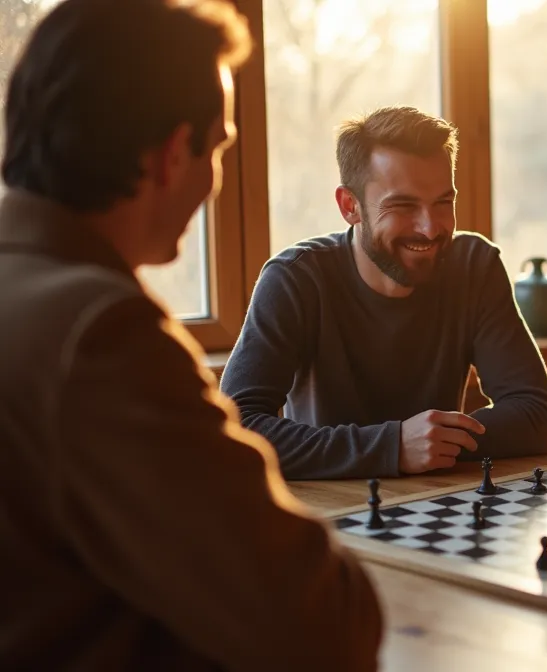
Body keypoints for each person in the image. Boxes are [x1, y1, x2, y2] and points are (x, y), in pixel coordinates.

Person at [0, 0, 383, 669]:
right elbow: (326, 622)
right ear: (174, 154)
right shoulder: (102, 335)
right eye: (222, 147)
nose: (216, 182)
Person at [220, 106, 547, 480]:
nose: (429, 228)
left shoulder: (473, 267)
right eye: (403, 206)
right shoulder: (295, 279)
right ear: (350, 206)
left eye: (443, 203)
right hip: (330, 506)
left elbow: (537, 415)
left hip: (439, 501)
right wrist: (392, 447)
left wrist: (434, 444)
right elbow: (235, 428)